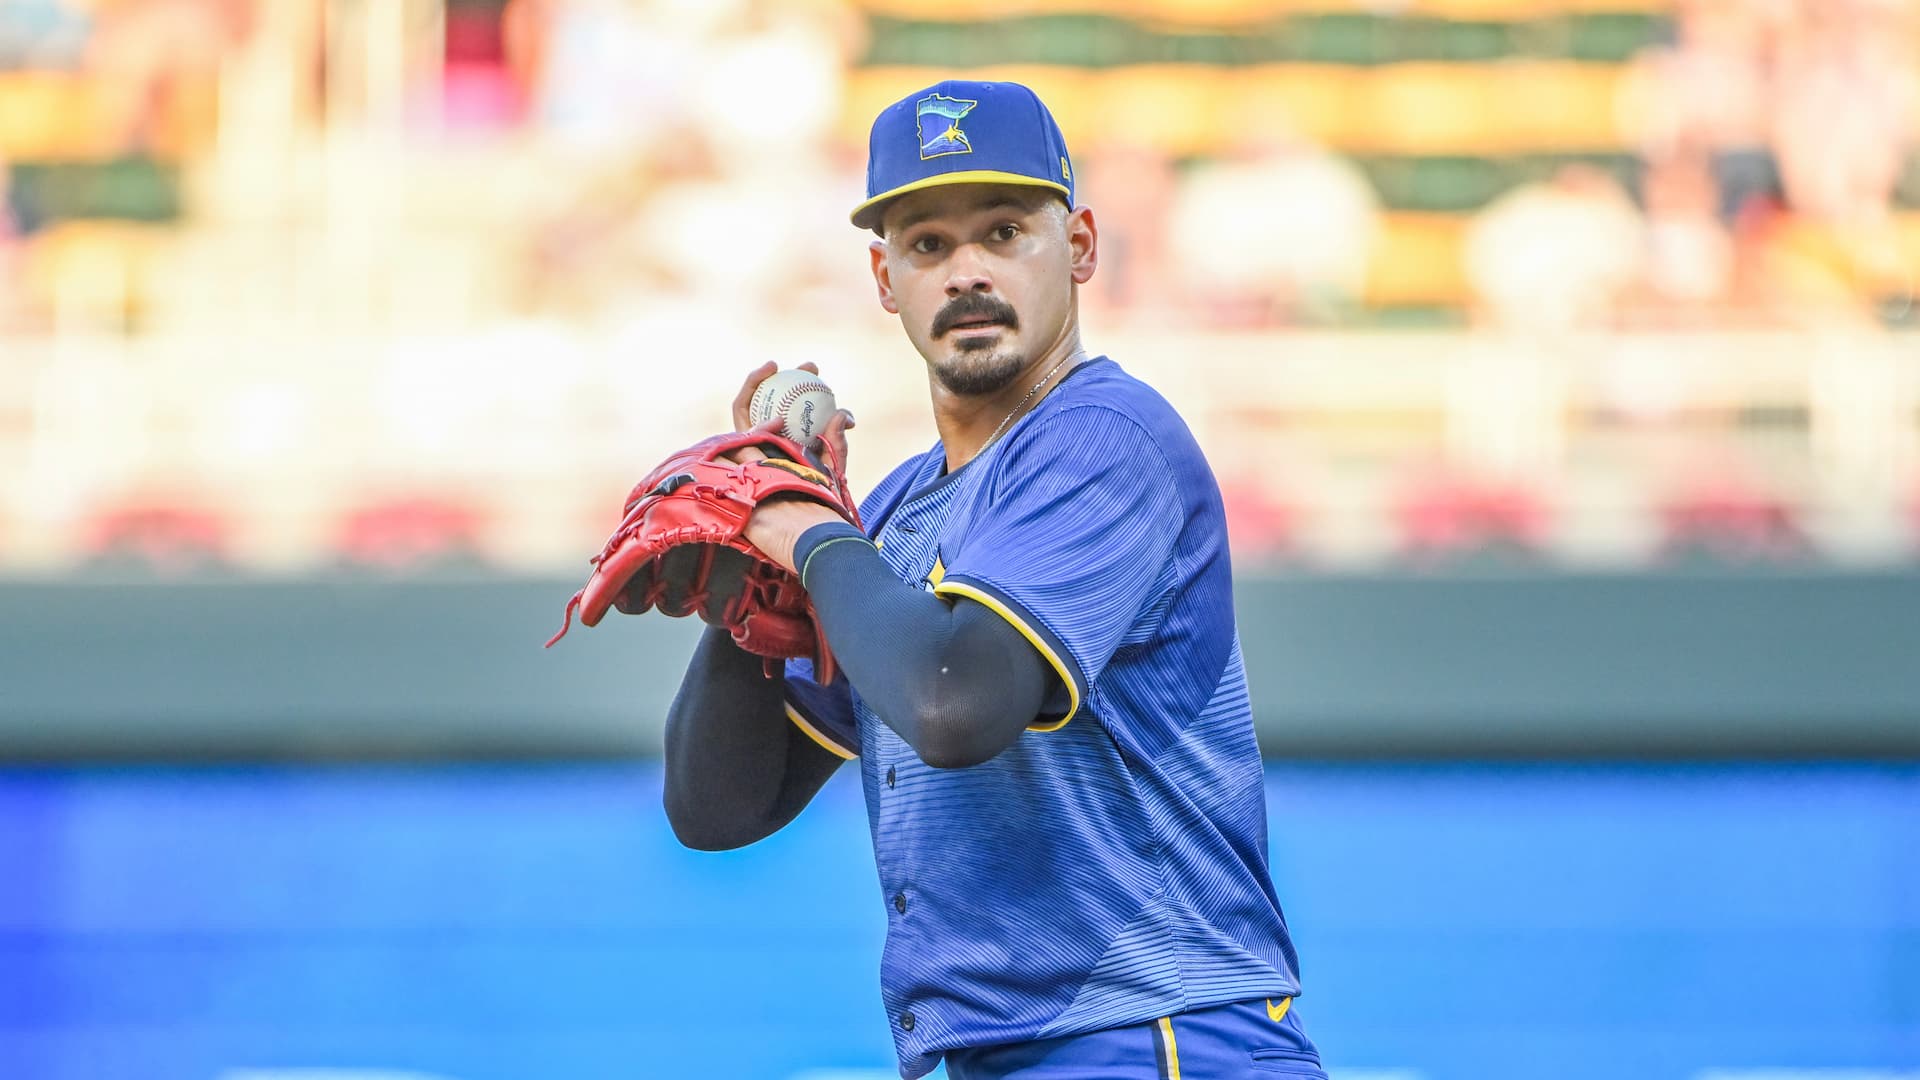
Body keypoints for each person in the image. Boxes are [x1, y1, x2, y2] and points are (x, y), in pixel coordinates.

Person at [662, 79, 1325, 1080]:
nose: (967, 271)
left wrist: (805, 537)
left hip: (1157, 1037)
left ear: (1083, 247)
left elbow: (956, 703)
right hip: (1007, 1054)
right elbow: (718, 808)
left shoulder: (1108, 439)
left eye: (1005, 230)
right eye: (928, 244)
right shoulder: (888, 515)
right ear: (886, 280)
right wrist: (755, 579)